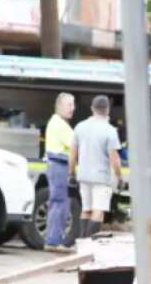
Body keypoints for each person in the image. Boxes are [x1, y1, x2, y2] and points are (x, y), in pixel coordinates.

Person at [70, 95, 122, 238]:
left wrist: (71, 173)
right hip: (101, 177)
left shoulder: (80, 127)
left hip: (84, 175)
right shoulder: (110, 130)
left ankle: (81, 243)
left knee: (86, 210)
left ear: (92, 109)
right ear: (107, 110)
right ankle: (89, 246)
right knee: (98, 211)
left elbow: (73, 153)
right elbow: (114, 159)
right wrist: (119, 177)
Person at [43, 93, 76, 252]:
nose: (73, 108)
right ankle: (54, 242)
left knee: (59, 204)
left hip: (58, 165)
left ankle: (54, 240)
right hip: (59, 165)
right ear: (60, 106)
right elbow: (75, 145)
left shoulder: (57, 122)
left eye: (73, 105)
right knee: (59, 204)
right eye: (70, 105)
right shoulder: (59, 124)